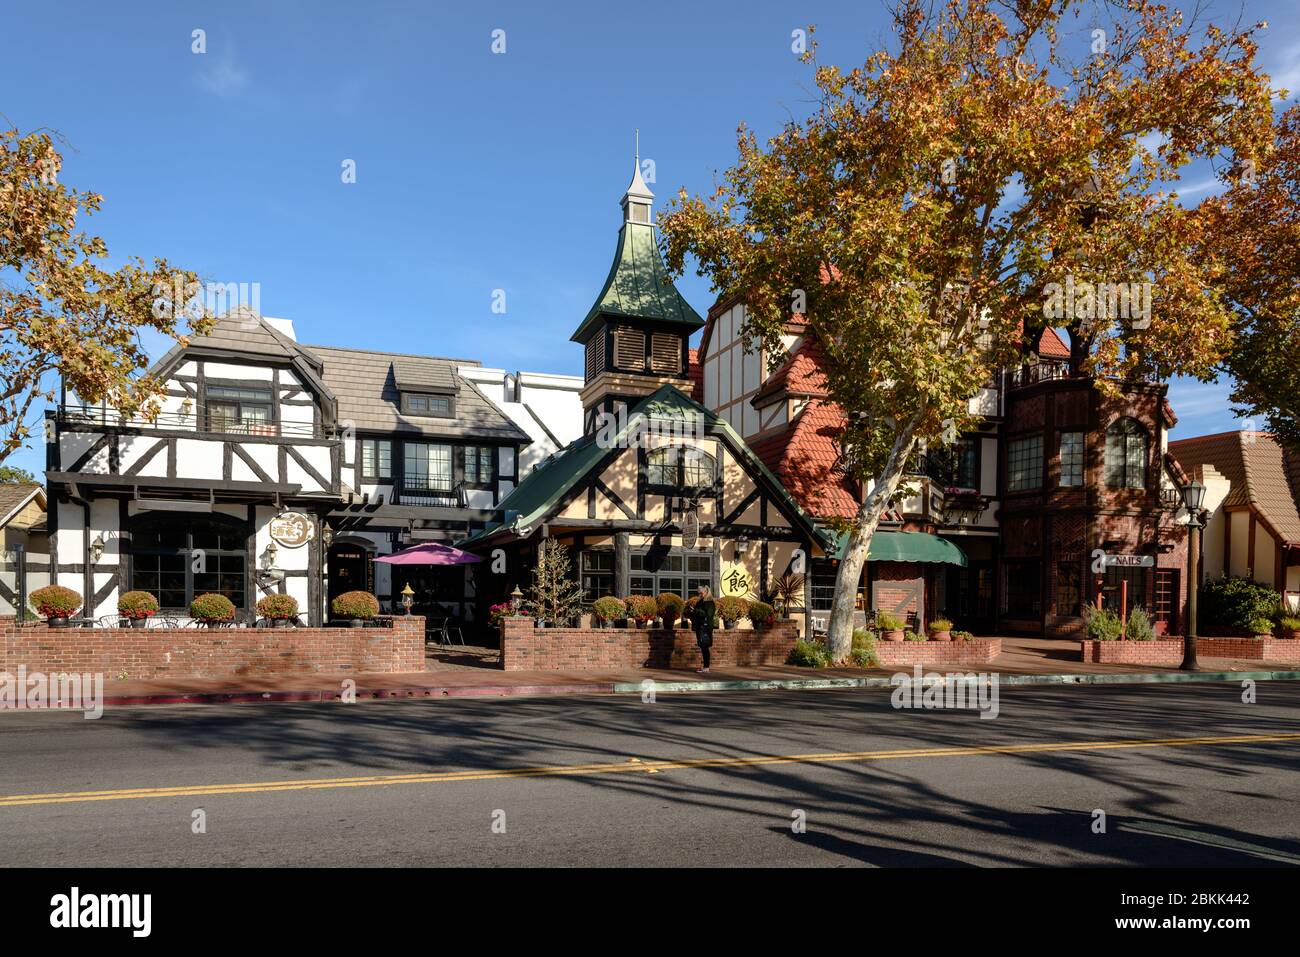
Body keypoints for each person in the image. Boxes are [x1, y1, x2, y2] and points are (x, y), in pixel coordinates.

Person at [689, 584, 716, 674]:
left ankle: (706, 667)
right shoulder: (701, 601)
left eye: (701, 593)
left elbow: (708, 615)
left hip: (705, 627)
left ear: (706, 592)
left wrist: (696, 610)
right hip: (700, 626)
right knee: (703, 646)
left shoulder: (709, 603)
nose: (699, 594)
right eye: (699, 593)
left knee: (705, 646)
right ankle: (705, 666)